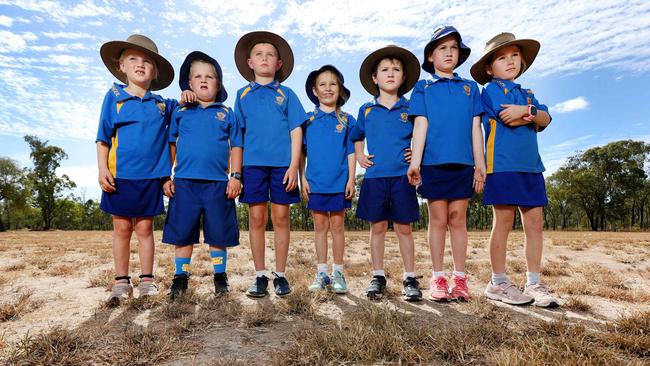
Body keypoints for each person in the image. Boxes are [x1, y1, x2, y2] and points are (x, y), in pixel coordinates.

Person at [470, 32, 557, 307]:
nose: (510, 61)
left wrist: (526, 111)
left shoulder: (527, 93)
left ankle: (534, 283)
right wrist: (531, 116)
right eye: (502, 57)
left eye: (515, 55)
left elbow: (547, 118)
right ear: (489, 67)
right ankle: (498, 282)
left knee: (535, 224)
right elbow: (507, 116)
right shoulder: (491, 91)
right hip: (502, 166)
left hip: (531, 167)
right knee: (503, 223)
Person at [96, 34, 176, 305]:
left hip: (151, 177)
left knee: (144, 230)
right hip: (120, 176)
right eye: (133, 59)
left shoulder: (162, 104)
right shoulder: (114, 97)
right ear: (121, 66)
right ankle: (121, 282)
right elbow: (103, 137)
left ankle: (147, 280)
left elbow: (184, 111)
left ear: (155, 71)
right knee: (121, 229)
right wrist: (101, 169)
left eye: (146, 61)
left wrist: (187, 94)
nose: (140, 65)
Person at [407, 26, 485, 302]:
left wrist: (480, 164)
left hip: (463, 164)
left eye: (454, 47)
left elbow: (477, 128)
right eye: (442, 48)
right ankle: (438, 276)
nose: (449, 52)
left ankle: (460, 278)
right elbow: (420, 125)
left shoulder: (470, 88)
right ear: (430, 57)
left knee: (458, 219)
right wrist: (415, 162)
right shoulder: (423, 88)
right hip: (433, 164)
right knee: (438, 220)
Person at [162, 51, 243, 299]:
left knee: (218, 233)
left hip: (218, 184)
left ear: (218, 84)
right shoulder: (180, 111)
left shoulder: (227, 113)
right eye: (198, 76)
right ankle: (180, 276)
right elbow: (171, 144)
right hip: (185, 182)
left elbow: (237, 145)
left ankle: (220, 276)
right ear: (190, 83)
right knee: (183, 233)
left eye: (210, 76)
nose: (204, 80)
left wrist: (236, 176)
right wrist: (167, 176)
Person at [233, 31, 306, 298]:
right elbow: (237, 138)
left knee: (281, 217)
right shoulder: (241, 96)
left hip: (281, 165)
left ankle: (281, 275)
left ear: (279, 64)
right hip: (253, 166)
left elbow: (296, 131)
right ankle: (260, 274)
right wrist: (236, 173)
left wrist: (293, 166)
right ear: (250, 62)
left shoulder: (287, 94)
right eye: (259, 54)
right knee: (256, 217)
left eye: (271, 54)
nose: (265, 58)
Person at [349, 45, 423, 301]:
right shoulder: (366, 110)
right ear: (374, 78)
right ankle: (378, 275)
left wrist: (417, 154)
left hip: (403, 177)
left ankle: (410, 277)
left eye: (396, 69)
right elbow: (356, 136)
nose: (390, 74)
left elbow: (423, 135)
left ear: (403, 77)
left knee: (404, 228)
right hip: (375, 177)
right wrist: (359, 155)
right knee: (377, 227)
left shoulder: (411, 108)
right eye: (384, 70)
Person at [300, 65, 356, 293]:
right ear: (315, 90)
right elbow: (300, 152)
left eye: (333, 84)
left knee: (338, 226)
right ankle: (322, 273)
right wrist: (301, 177)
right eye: (322, 84)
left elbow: (351, 152)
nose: (328, 88)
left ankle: (339, 273)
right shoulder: (307, 120)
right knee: (320, 226)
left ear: (340, 90)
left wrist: (352, 179)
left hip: (339, 182)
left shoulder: (347, 120)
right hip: (315, 182)